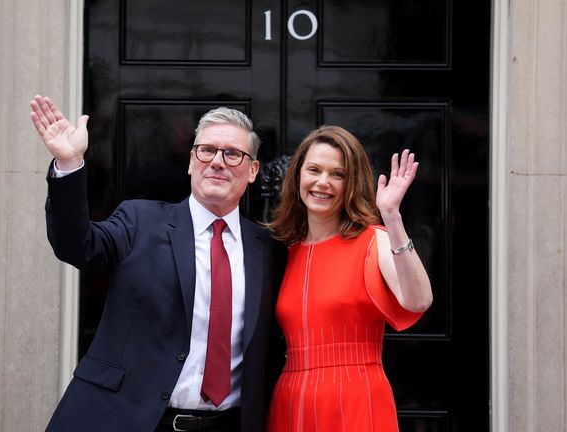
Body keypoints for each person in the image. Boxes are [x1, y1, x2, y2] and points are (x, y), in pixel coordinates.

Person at [29, 95, 286, 432]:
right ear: (192, 162)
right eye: (206, 150)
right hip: (127, 419)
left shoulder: (269, 250)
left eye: (233, 154)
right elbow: (76, 246)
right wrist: (69, 165)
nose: (217, 162)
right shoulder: (140, 221)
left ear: (253, 170)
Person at [266, 125, 432, 432]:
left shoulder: (374, 240)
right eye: (313, 169)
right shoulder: (283, 252)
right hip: (291, 399)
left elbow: (418, 299)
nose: (322, 182)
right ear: (298, 176)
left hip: (356, 397)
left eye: (337, 174)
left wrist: (392, 217)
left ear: (351, 183)